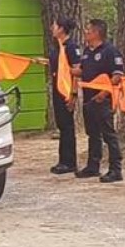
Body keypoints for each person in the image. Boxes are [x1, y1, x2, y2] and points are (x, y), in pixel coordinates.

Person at [75, 19, 124, 183]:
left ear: (96, 33)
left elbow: (117, 76)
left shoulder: (110, 51)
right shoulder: (87, 51)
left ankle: (115, 169)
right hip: (89, 98)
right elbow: (81, 71)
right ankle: (93, 166)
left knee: (108, 134)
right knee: (92, 134)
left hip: (103, 99)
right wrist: (62, 67)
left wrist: (104, 93)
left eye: (88, 30)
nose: (86, 33)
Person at [48, 17, 83, 175]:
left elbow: (76, 70)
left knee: (67, 126)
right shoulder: (58, 47)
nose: (52, 28)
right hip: (57, 88)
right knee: (62, 125)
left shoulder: (71, 47)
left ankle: (69, 162)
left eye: (54, 26)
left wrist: (73, 93)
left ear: (62, 29)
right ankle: (63, 160)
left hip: (66, 90)